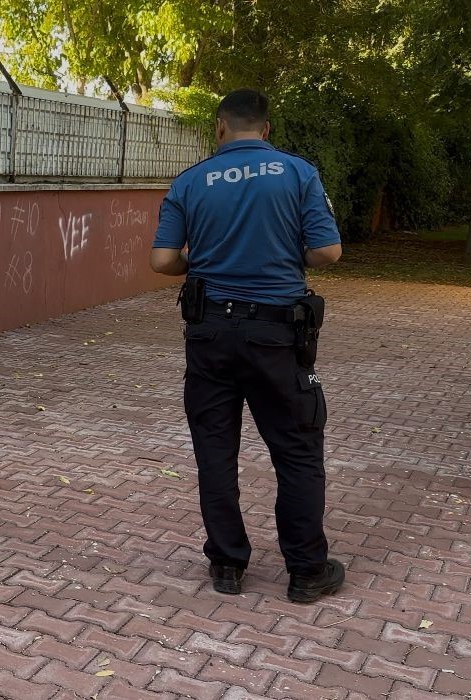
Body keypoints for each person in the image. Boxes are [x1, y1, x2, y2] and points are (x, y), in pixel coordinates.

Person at [149, 88, 345, 603]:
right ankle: (306, 572)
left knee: (215, 451)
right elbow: (326, 252)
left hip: (209, 333)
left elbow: (163, 261)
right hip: (277, 335)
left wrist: (208, 259)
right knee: (297, 451)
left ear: (219, 128)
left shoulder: (190, 182)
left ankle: (228, 566)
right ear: (267, 129)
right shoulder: (298, 173)